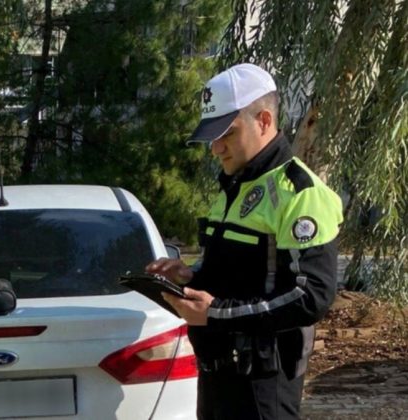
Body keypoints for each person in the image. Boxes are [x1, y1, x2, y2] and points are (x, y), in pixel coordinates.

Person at [145, 63, 342, 419]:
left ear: (264, 120)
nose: (215, 148)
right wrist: (190, 276)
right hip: (217, 375)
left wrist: (216, 313)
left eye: (227, 134)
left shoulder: (300, 193)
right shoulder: (232, 187)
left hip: (263, 383)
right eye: (211, 136)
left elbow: (310, 296)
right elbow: (231, 269)